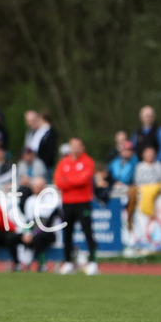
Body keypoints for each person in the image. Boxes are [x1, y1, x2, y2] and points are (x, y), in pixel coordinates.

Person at [54, 137, 98, 275]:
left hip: (83, 202)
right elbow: (58, 182)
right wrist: (72, 180)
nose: (75, 149)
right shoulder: (63, 163)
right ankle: (67, 262)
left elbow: (84, 179)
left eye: (78, 146)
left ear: (82, 147)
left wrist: (68, 179)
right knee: (67, 233)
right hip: (67, 203)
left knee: (88, 232)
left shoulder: (88, 161)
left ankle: (93, 262)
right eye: (72, 146)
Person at [23, 110, 57, 175]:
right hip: (31, 166)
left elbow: (50, 152)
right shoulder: (29, 133)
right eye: (29, 121)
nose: (31, 123)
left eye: (33, 120)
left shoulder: (47, 132)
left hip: (45, 167)